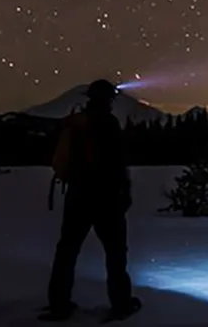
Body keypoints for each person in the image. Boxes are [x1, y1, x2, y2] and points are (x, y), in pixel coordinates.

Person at [39, 79, 141, 322]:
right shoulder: (109, 124)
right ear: (110, 99)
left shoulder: (77, 123)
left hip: (77, 195)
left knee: (67, 251)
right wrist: (124, 193)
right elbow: (117, 164)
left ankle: (59, 304)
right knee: (115, 253)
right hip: (105, 198)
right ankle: (121, 304)